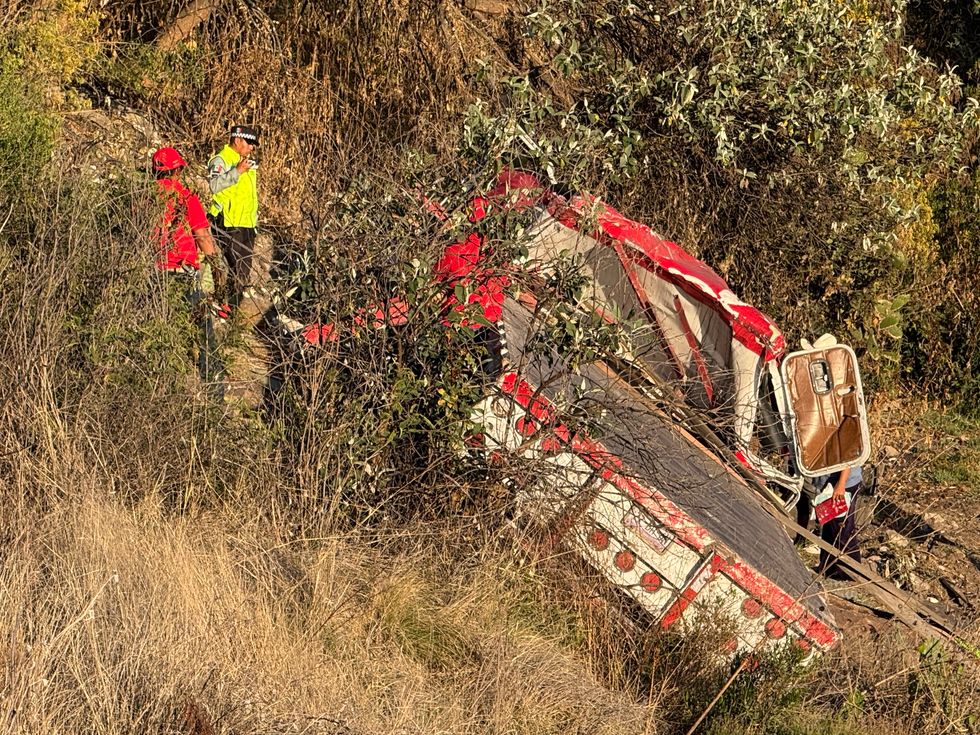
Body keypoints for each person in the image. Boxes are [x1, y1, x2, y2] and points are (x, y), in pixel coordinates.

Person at [152, 145, 228, 380]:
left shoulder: (146, 197)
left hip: (153, 273)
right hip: (183, 271)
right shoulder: (187, 197)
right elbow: (203, 237)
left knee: (157, 326)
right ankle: (212, 380)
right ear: (179, 170)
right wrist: (217, 271)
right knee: (201, 327)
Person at [207, 124, 260, 299]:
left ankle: (232, 309)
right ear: (237, 140)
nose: (252, 147)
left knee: (243, 270)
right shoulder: (221, 160)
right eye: (249, 143)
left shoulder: (246, 161)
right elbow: (214, 186)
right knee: (234, 268)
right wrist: (237, 171)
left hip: (247, 224)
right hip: (228, 223)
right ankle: (226, 306)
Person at [814, 464, 864, 580]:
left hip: (843, 484)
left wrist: (841, 484)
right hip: (829, 481)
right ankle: (827, 569)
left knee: (843, 531)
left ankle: (851, 574)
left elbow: (847, 458)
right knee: (829, 529)